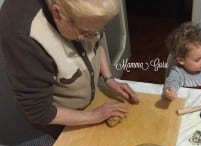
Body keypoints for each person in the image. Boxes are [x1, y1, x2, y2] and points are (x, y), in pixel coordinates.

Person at [0, 0, 139, 138]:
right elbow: (40, 112)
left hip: (88, 106)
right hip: (59, 122)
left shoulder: (85, 15)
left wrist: (109, 79)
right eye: (85, 32)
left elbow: (96, 37)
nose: (93, 36)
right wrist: (94, 116)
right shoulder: (22, 34)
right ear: (57, 13)